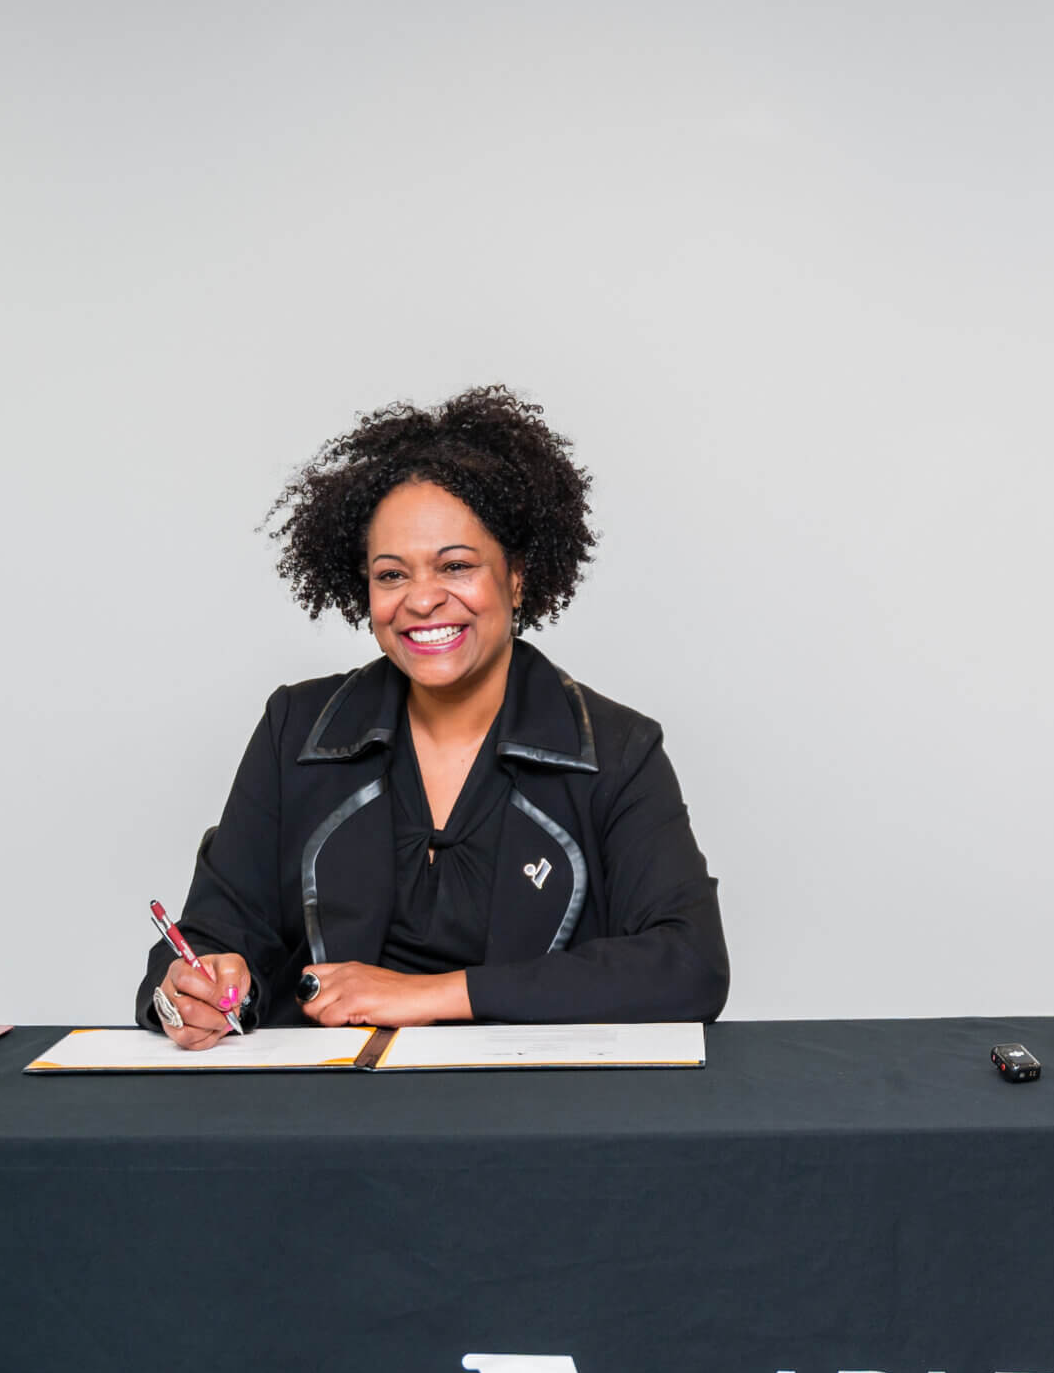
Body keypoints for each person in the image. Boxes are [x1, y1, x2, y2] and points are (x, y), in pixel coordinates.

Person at [140, 386, 729, 1045]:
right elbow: (213, 935)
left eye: (455, 565)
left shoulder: (617, 750)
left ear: (516, 577)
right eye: (391, 575)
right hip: (324, 1117)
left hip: (533, 1122)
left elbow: (690, 965)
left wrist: (427, 995)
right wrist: (191, 990)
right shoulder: (296, 731)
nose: (422, 599)